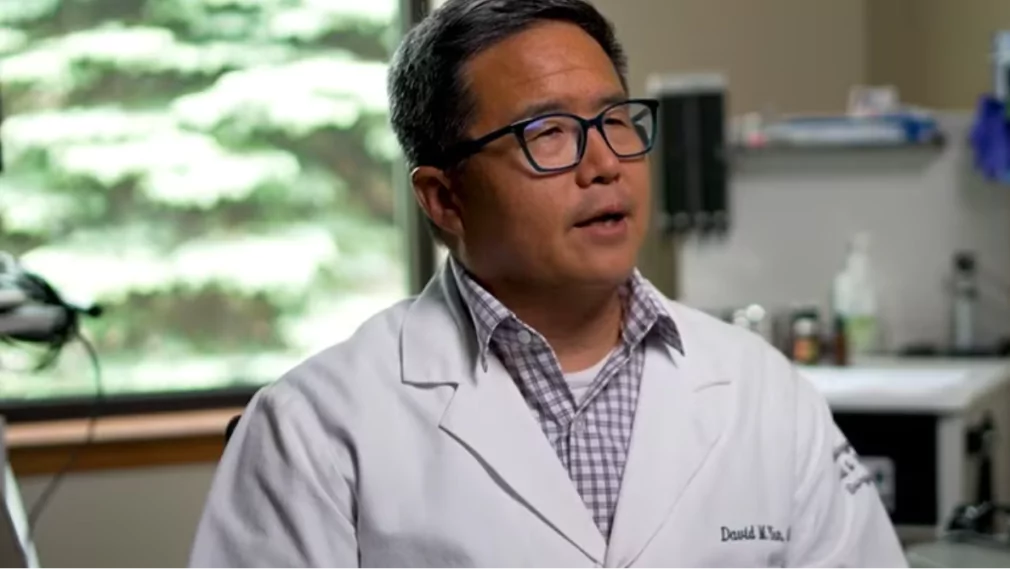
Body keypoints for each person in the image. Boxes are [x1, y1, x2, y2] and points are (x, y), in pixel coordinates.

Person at [188, 1, 908, 567]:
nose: (605, 164)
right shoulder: (314, 427)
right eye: (548, 133)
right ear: (444, 198)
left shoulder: (764, 390)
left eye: (616, 119)